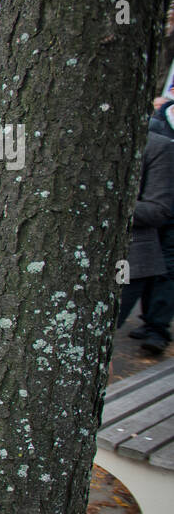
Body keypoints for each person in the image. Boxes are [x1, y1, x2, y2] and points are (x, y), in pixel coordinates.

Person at [117, 132, 174, 354]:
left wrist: (102, 200)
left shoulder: (157, 146)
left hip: (128, 261)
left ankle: (156, 327)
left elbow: (158, 210)